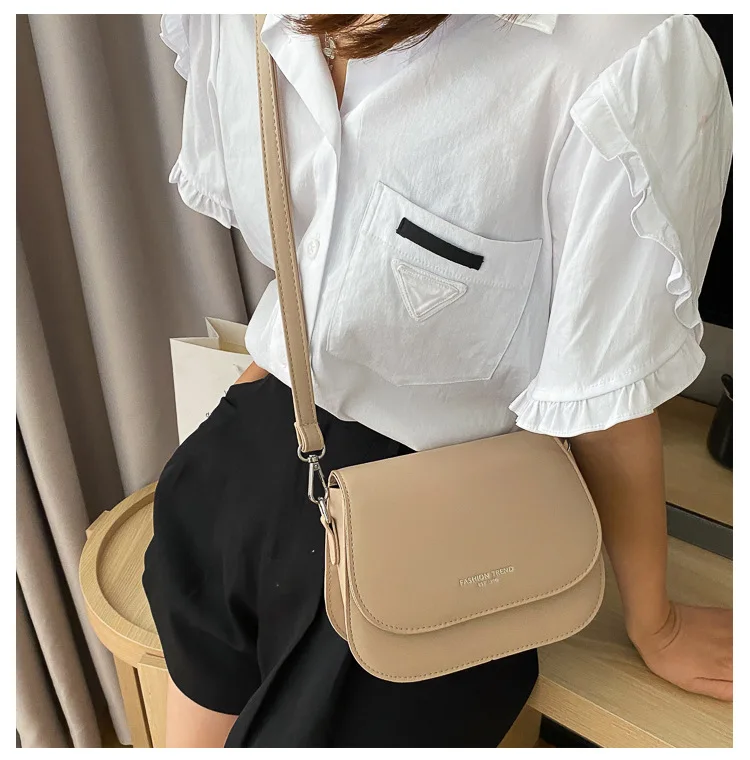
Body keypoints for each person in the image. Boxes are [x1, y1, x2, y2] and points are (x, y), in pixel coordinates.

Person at [142, 14, 733, 748]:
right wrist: (657, 623)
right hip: (256, 446)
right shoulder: (238, 18)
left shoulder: (614, 52)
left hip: (432, 532)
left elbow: (608, 395)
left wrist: (657, 622)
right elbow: (321, 249)